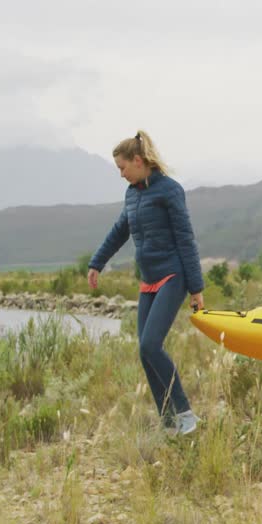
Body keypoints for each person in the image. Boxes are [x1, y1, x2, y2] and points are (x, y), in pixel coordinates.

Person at [88, 131, 205, 435]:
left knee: (152, 344)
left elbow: (186, 239)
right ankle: (168, 422)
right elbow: (119, 231)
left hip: (173, 276)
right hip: (149, 279)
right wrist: (97, 263)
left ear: (138, 161)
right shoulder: (133, 194)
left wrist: (196, 289)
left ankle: (186, 414)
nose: (121, 174)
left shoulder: (170, 191)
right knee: (144, 351)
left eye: (122, 167)